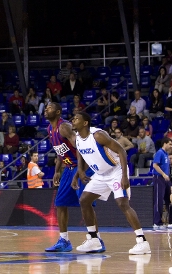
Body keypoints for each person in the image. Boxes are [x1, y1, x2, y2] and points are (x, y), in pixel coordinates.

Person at [71, 111, 151, 255]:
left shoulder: (98, 135)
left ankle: (142, 241)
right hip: (101, 174)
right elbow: (81, 153)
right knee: (84, 200)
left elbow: (121, 151)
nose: (73, 119)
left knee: (122, 202)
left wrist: (125, 177)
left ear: (85, 123)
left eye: (76, 118)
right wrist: (79, 172)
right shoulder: (77, 138)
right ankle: (94, 239)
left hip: (116, 170)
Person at [43, 102, 102, 253]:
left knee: (85, 203)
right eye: (46, 107)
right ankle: (64, 240)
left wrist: (80, 169)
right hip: (67, 169)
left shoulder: (64, 127)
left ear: (57, 112)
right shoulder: (50, 129)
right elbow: (59, 151)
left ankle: (96, 238)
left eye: (49, 108)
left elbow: (80, 147)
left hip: (81, 167)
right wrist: (57, 171)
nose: (46, 109)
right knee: (60, 203)